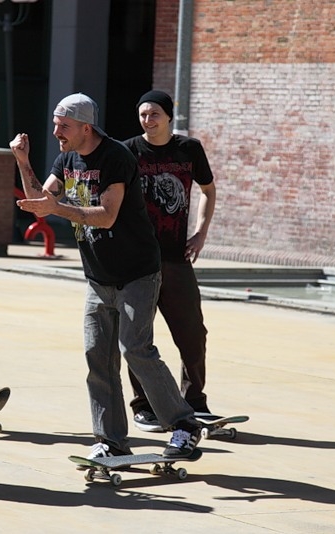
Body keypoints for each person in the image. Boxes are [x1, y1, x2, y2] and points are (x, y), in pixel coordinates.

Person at [9, 93, 202, 459]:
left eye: (63, 125)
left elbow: (107, 215)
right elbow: (40, 202)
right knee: (97, 356)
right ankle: (110, 439)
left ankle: (184, 425)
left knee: (135, 349)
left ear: (85, 127)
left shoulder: (116, 157)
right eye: (54, 123)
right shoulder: (66, 157)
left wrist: (59, 207)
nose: (56, 131)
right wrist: (21, 160)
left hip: (137, 272)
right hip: (98, 276)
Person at [123, 90, 216, 432]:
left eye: (154, 114)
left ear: (168, 117)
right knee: (138, 336)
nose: (148, 120)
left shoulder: (188, 150)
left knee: (193, 333)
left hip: (176, 258)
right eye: (143, 114)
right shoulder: (128, 150)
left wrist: (201, 232)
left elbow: (208, 190)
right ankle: (144, 405)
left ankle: (194, 401)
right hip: (138, 261)